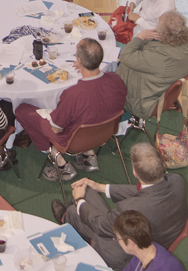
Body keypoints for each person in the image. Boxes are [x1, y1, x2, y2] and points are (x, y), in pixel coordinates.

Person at [57, 142, 188, 271]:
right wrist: (99, 187)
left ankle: (67, 217)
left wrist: (79, 200)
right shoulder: (177, 180)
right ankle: (75, 212)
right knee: (88, 191)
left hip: (125, 256)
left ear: (135, 173)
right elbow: (145, 191)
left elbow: (99, 225)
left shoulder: (130, 209)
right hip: (159, 236)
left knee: (75, 211)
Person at [15, 39, 127, 181]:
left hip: (73, 140)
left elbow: (55, 129)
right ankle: (89, 154)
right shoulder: (117, 79)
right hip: (105, 132)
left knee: (22, 110)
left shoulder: (73, 94)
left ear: (79, 60)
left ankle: (59, 162)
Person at [116, 10, 188, 120]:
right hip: (162, 89)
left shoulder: (160, 57)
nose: (156, 25)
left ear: (164, 33)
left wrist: (140, 37)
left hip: (143, 104)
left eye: (158, 23)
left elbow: (125, 56)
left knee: (110, 72)